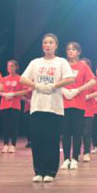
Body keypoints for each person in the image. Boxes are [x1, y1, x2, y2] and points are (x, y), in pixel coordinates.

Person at [20, 33, 74, 183]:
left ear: (56, 45)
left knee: (52, 140)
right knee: (37, 140)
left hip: (54, 107)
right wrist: (36, 85)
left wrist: (54, 86)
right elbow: (23, 78)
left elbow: (70, 79)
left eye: (51, 42)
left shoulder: (61, 62)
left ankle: (50, 171)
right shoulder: (35, 62)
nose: (47, 45)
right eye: (45, 42)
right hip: (37, 106)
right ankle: (39, 171)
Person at [60, 42, 96, 170]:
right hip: (63, 103)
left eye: (74, 49)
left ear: (79, 52)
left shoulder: (83, 66)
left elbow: (93, 81)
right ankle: (66, 159)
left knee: (77, 132)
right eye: (68, 49)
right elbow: (55, 80)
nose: (70, 51)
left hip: (78, 103)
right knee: (65, 133)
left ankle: (75, 158)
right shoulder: (62, 64)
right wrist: (62, 90)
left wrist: (78, 90)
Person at [0, 60, 28, 153]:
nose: (10, 68)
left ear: (16, 67)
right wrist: (4, 94)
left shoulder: (20, 79)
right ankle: (5, 144)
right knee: (5, 125)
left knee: (14, 125)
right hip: (4, 105)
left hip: (15, 105)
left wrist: (14, 94)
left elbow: (25, 91)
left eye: (12, 66)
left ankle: (13, 145)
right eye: (8, 66)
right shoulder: (4, 79)